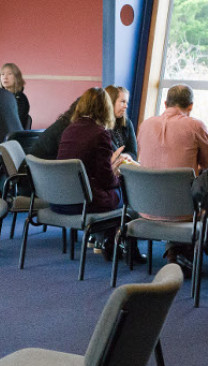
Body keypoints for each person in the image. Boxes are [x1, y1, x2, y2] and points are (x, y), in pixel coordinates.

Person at [137, 84, 208, 268]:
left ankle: (177, 248)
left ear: (165, 103)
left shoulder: (145, 125)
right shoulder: (195, 126)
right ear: (190, 106)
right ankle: (184, 247)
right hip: (183, 212)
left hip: (146, 207)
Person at [55, 87, 126, 259]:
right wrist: (116, 174)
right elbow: (106, 180)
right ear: (105, 108)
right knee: (124, 194)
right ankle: (113, 244)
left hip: (60, 199)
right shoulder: (100, 133)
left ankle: (103, 240)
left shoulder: (69, 130)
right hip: (83, 203)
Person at [104, 85, 137, 160]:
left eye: (126, 102)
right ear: (110, 102)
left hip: (125, 167)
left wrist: (127, 157)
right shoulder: (100, 125)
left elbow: (133, 153)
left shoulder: (127, 123)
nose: (126, 106)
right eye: (123, 102)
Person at [0, 63, 30, 129]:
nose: (5, 77)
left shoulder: (21, 99)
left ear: (16, 77)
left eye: (9, 74)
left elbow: (15, 123)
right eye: (2, 74)